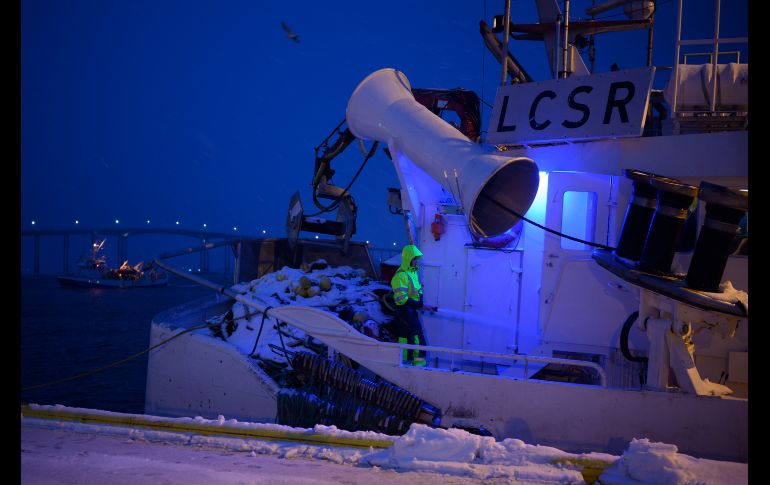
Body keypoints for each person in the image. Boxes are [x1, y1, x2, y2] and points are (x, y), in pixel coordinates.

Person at [390, 244, 437, 366]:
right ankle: (408, 368)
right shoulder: (401, 275)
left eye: (417, 258)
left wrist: (424, 305)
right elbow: (401, 299)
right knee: (412, 340)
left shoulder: (413, 273)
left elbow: (415, 294)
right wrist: (418, 305)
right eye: (414, 258)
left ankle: (417, 368)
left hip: (410, 311)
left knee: (416, 340)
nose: (416, 261)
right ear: (408, 258)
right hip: (404, 314)